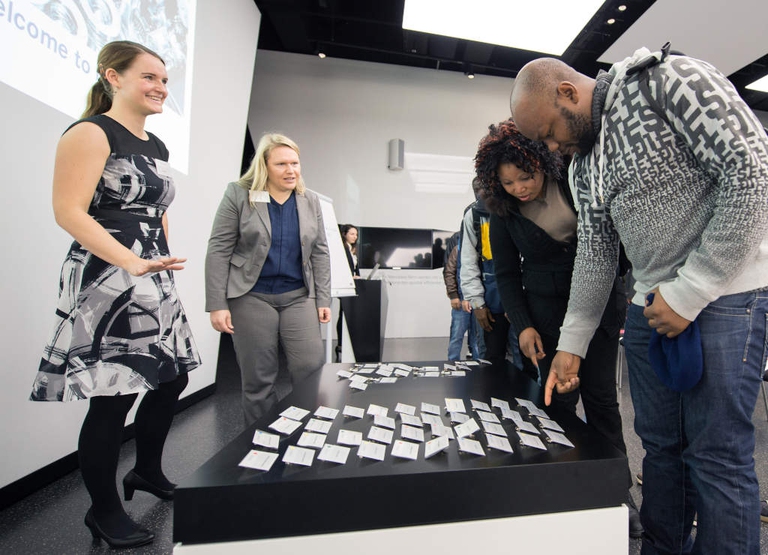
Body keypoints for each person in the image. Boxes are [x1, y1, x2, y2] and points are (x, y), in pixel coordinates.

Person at [510, 44, 768, 554]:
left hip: (726, 297)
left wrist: (691, 289)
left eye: (550, 133)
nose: (553, 149)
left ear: (568, 92)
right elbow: (597, 253)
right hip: (651, 305)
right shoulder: (583, 165)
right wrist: (573, 343)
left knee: (716, 455)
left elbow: (752, 172)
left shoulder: (670, 81)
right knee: (661, 448)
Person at [30, 41, 201, 549]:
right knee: (113, 397)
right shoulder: (90, 132)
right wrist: (130, 261)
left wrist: (160, 262)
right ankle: (103, 511)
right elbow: (69, 210)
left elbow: (158, 207)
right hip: (109, 274)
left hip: (152, 273)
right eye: (150, 77)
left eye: (166, 81)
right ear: (113, 77)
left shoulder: (157, 144)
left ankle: (146, 470)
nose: (161, 89)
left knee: (171, 379)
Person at [475, 118, 641, 538]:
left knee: (603, 401)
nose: (519, 188)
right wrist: (524, 325)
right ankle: (557, 495)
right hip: (545, 318)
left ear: (541, 164)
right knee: (555, 407)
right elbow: (508, 275)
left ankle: (620, 496)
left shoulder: (574, 180)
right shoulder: (502, 210)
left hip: (601, 308)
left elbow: (614, 242)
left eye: (525, 177)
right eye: (508, 182)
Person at [205, 133, 331, 426]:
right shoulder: (239, 193)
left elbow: (320, 252)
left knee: (310, 367)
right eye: (281, 164)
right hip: (251, 295)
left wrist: (322, 298)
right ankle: (262, 441)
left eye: (295, 163)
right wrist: (217, 303)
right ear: (264, 166)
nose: (291, 170)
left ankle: (306, 434)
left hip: (298, 295)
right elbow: (219, 248)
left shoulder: (308, 199)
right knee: (259, 376)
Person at [459, 186, 522, 368]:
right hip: (490, 302)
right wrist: (477, 302)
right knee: (491, 361)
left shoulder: (525, 207)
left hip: (524, 301)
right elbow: (468, 262)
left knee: (525, 359)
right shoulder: (475, 215)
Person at [443, 231, 480, 360]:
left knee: (477, 339)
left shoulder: (482, 244)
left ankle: (478, 370)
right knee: (456, 337)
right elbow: (449, 272)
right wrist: (453, 296)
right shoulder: (458, 246)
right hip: (461, 299)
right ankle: (452, 367)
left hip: (478, 301)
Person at [336, 224, 360, 360]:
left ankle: (345, 345)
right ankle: (340, 346)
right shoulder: (341, 249)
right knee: (343, 315)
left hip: (353, 285)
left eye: (356, 234)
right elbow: (340, 269)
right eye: (352, 234)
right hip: (345, 286)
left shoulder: (352, 249)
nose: (354, 237)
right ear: (344, 234)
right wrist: (350, 277)